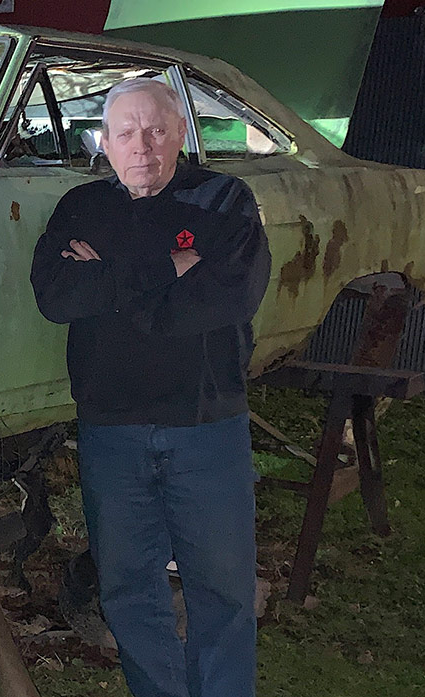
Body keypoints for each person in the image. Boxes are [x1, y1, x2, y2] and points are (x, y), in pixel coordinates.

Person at [29, 77, 271, 697]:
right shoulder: (80, 208)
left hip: (205, 423)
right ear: (103, 142)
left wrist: (112, 293)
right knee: (127, 585)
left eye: (157, 130)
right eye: (127, 132)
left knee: (221, 587)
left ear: (181, 135)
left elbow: (228, 296)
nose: (143, 146)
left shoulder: (224, 201)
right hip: (110, 427)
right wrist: (167, 270)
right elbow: (56, 299)